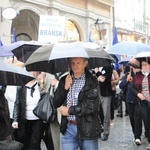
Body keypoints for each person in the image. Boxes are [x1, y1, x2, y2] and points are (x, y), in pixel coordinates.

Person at [53, 57, 101, 150]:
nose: (75, 66)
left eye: (78, 63)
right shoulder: (65, 79)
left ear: (85, 63)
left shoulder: (92, 81)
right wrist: (65, 88)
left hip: (87, 128)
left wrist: (70, 110)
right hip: (68, 128)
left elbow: (91, 106)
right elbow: (56, 102)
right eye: (73, 63)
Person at [12, 71, 44, 150]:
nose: (32, 73)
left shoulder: (41, 84)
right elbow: (17, 103)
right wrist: (15, 120)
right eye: (30, 71)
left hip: (38, 120)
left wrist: (43, 86)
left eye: (34, 71)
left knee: (35, 144)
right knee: (25, 144)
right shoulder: (21, 85)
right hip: (24, 121)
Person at [130, 58, 150, 149]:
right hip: (143, 101)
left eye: (146, 65)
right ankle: (139, 137)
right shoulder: (138, 75)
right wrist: (138, 94)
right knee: (146, 120)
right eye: (143, 65)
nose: (144, 67)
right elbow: (131, 88)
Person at [120, 65, 142, 145]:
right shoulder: (127, 75)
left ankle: (138, 136)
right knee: (132, 119)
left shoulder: (140, 75)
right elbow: (121, 85)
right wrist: (126, 80)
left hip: (138, 100)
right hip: (129, 100)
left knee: (138, 118)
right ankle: (135, 134)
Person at [94, 66, 113, 141]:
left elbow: (105, 80)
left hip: (106, 93)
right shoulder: (93, 68)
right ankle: (98, 129)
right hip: (96, 93)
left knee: (106, 114)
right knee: (96, 112)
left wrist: (97, 73)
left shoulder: (108, 67)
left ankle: (106, 132)